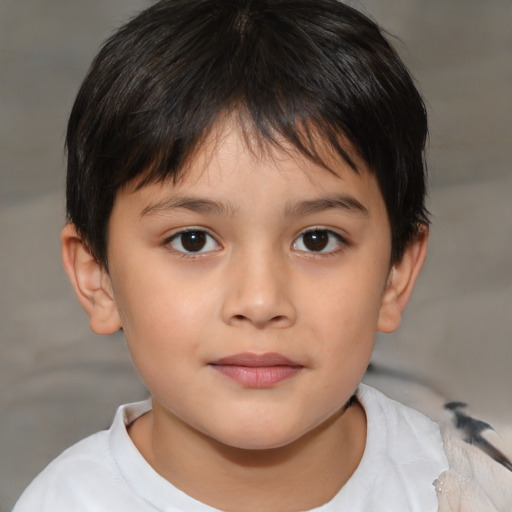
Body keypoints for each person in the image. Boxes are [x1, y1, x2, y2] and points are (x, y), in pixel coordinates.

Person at [12, 1, 512, 511]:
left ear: (395, 274)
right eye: (193, 240)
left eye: (317, 240)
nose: (259, 300)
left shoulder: (472, 492)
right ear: (97, 276)